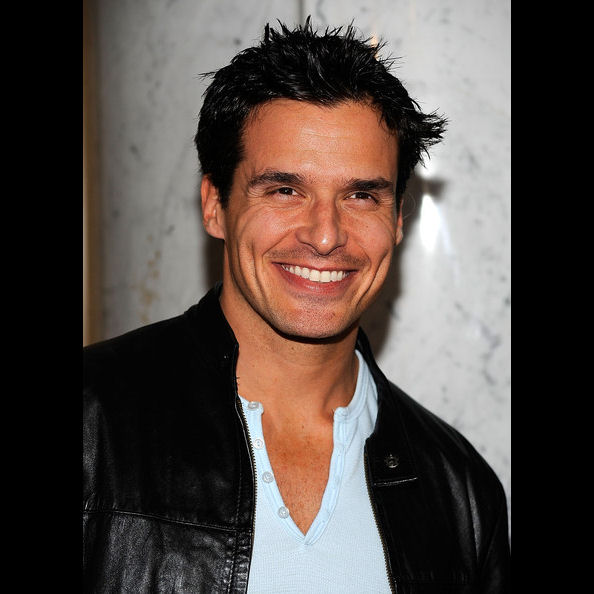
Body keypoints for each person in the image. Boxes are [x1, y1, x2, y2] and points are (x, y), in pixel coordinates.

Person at [83, 19, 510, 593]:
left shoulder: (462, 492)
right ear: (215, 205)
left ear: (398, 221)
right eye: (285, 190)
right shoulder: (93, 423)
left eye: (361, 195)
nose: (326, 235)